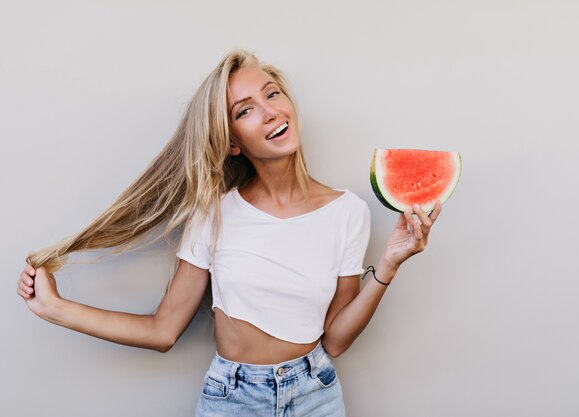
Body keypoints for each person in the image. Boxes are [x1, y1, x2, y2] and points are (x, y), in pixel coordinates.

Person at [16, 49, 442, 416]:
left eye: (272, 94)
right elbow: (162, 331)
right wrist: (57, 308)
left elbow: (335, 339)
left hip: (317, 392)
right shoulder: (214, 214)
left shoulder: (349, 211)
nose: (270, 111)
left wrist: (389, 263)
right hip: (233, 397)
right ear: (232, 141)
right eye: (245, 110)